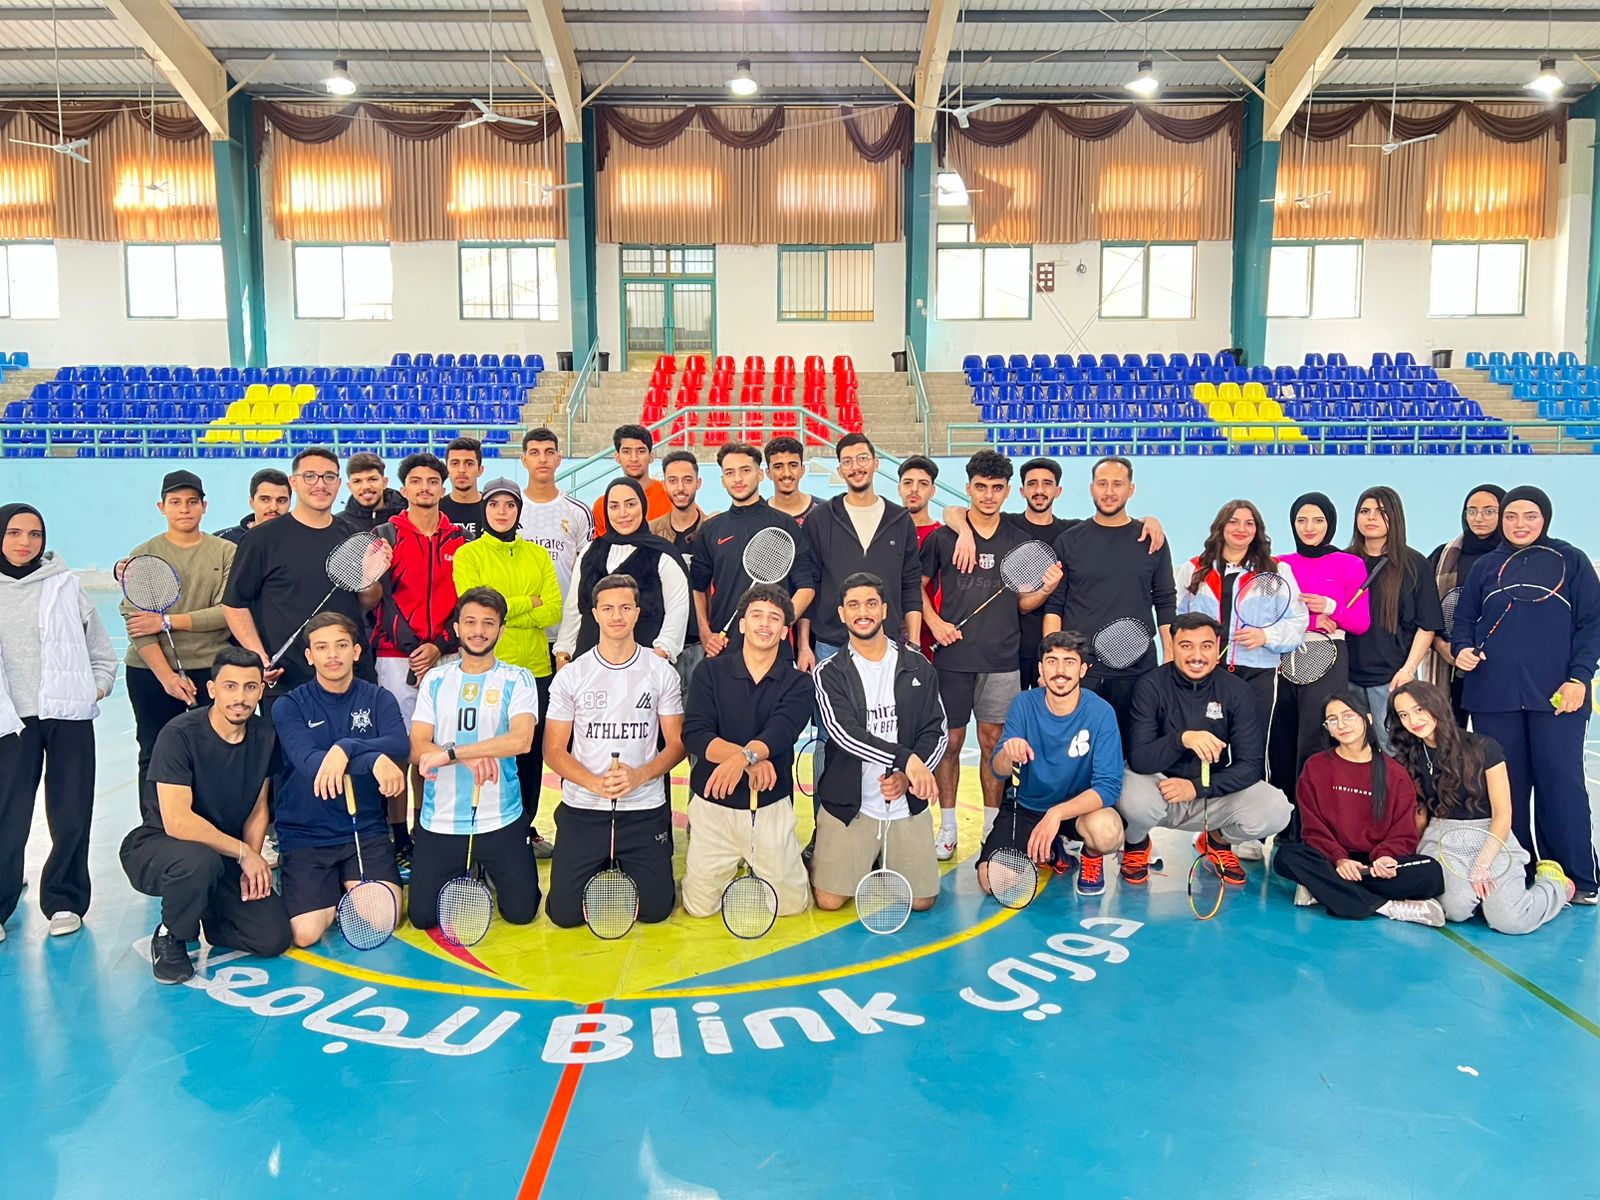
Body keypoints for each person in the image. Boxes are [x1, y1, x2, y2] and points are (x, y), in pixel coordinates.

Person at [1452, 485, 1600, 904]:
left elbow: (1592, 625)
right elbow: (1464, 620)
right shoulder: (1485, 566)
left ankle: (1577, 877)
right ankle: (1517, 870)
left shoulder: (1571, 560)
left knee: (1561, 785)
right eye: (1511, 516)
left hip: (1558, 698)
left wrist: (1579, 679)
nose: (1520, 524)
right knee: (1506, 790)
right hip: (1493, 698)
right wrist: (1462, 649)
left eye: (1529, 516)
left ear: (1545, 518)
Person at [119, 648, 291, 983]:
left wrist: (252, 858)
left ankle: (209, 912)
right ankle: (171, 934)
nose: (240, 698)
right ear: (212, 689)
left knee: (272, 937)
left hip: (222, 852)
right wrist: (242, 852)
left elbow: (258, 806)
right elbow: (178, 821)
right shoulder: (179, 734)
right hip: (161, 845)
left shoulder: (265, 735)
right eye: (230, 686)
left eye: (250, 687)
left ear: (261, 690)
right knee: (199, 862)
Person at [921, 451, 1061, 860]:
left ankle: (991, 825)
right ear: (968, 487)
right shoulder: (944, 537)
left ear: (1007, 491)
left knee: (994, 743)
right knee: (950, 741)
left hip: (1001, 658)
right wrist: (934, 623)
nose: (988, 495)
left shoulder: (1018, 540)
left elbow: (1023, 603)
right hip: (953, 658)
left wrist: (1047, 588)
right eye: (980, 487)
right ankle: (948, 827)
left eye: (996, 488)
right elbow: (915, 586)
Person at [944, 456, 1164, 690]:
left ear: (1058, 491)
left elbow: (1110, 524)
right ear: (1021, 491)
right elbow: (952, 511)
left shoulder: (1072, 533)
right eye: (1032, 484)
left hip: (1056, 645)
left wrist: (1149, 521)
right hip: (1013, 649)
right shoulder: (1006, 525)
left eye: (1047, 483)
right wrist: (964, 532)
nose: (1039, 490)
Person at [0, 504, 117, 942]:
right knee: (7, 816)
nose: (25, 542)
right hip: (10, 721)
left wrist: (96, 688)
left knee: (71, 811)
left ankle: (65, 899)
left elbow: (101, 650)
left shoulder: (65, 586)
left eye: (34, 534)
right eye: (14, 532)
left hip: (67, 716)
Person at [543, 573, 686, 928]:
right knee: (564, 916)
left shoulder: (661, 671)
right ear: (595, 614)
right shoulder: (572, 674)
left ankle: (623, 861)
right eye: (607, 608)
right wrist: (593, 783)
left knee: (655, 912)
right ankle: (603, 860)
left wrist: (640, 776)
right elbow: (553, 749)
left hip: (643, 807)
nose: (617, 616)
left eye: (625, 607)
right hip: (584, 808)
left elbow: (678, 743)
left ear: (637, 612)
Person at [1117, 614, 1291, 889]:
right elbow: (1139, 758)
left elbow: (1250, 766)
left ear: (1218, 646)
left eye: (1206, 646)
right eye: (1186, 646)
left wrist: (1196, 788)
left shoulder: (1236, 690)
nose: (1196, 656)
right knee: (1130, 796)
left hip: (1209, 793)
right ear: (1172, 646)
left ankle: (1216, 842)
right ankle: (1137, 844)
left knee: (1276, 809)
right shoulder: (1150, 685)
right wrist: (1181, 739)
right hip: (1159, 788)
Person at [810, 572, 946, 915]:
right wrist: (905, 760)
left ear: (884, 610)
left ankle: (881, 857)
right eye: (853, 605)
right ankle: (855, 855)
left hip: (903, 802)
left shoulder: (917, 666)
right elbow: (844, 733)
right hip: (851, 806)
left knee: (922, 902)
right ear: (842, 614)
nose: (863, 612)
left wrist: (907, 776)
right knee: (829, 901)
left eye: (871, 603)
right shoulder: (829, 672)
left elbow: (937, 729)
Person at [407, 588, 541, 931]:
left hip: (501, 817)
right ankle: (472, 867)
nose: (478, 630)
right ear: (456, 628)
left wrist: (454, 752)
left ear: (501, 630)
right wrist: (462, 759)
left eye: (488, 623)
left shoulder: (518, 678)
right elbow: (418, 747)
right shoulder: (435, 679)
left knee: (521, 913)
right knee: (422, 918)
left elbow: (522, 740)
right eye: (470, 622)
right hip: (441, 820)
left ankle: (486, 866)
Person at [1389, 681, 1571, 933]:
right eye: (1403, 714)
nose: (1413, 720)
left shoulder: (1484, 747)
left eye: (1419, 709)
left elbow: (1503, 814)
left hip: (1490, 832)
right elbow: (1420, 816)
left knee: (1509, 920)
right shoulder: (1408, 757)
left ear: (1436, 705)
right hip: (1442, 835)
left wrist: (1483, 864)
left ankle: (1556, 884)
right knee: (1456, 908)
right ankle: (1481, 899)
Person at [271, 614, 407, 948]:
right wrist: (372, 759)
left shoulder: (379, 699)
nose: (332, 655)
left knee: (383, 921)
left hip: (364, 829)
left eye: (341, 645)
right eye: (322, 647)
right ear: (309, 656)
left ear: (356, 652)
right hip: (307, 833)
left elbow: (399, 745)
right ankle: (324, 886)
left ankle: (346, 885)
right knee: (305, 934)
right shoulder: (289, 705)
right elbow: (309, 763)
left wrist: (346, 748)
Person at [680, 584, 814, 919]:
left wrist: (743, 758)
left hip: (768, 805)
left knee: (790, 907)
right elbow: (695, 733)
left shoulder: (798, 683)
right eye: (756, 615)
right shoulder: (709, 672)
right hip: (714, 805)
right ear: (742, 624)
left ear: (784, 632)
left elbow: (782, 729)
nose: (764, 624)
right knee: (699, 909)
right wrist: (749, 760)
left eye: (774, 618)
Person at [452, 477, 562, 857]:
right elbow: (474, 609)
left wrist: (501, 610)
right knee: (487, 749)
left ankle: (524, 828)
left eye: (510, 505)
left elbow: (553, 610)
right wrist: (527, 602)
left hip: (534, 670)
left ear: (519, 510)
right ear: (484, 509)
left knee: (529, 756)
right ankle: (484, 830)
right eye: (495, 504)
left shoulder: (538, 555)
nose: (502, 512)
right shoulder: (468, 555)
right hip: (487, 670)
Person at [223, 446, 387, 699]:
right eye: (310, 476)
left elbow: (367, 601)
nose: (320, 484)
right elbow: (234, 605)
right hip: (288, 680)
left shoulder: (353, 536)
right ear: (294, 482)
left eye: (329, 477)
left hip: (352, 677)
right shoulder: (261, 539)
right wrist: (259, 656)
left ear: (338, 483)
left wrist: (371, 577)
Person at [1272, 691, 1446, 925]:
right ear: (1328, 728)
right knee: (1287, 857)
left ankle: (1324, 889)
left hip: (1374, 866)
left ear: (1368, 719)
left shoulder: (1395, 773)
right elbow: (1313, 829)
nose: (1341, 724)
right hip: (1331, 859)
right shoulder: (1315, 766)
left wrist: (1385, 857)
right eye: (1332, 720)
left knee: (1430, 872)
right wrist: (1339, 860)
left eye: (1348, 716)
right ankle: (1387, 907)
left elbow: (1403, 831)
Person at [1041, 456, 1176, 744]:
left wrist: (1170, 660)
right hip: (1082, 669)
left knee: (1135, 755)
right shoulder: (1069, 541)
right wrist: (1052, 661)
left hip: (1138, 670)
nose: (1109, 491)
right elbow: (1055, 606)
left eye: (1118, 484)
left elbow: (1165, 602)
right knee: (1077, 755)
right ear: (1092, 488)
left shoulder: (1152, 541)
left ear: (1131, 489)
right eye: (1102, 484)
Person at [984, 633, 1125, 898]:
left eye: (1069, 662)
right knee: (993, 882)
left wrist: (1057, 813)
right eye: (1052, 661)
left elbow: (1108, 788)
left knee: (1106, 833)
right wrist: (1008, 752)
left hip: (1078, 811)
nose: (1060, 670)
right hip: (1027, 807)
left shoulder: (1101, 712)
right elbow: (998, 770)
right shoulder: (1024, 703)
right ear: (1041, 668)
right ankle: (1055, 851)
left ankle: (1090, 856)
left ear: (1082, 670)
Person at [120, 469, 236, 792]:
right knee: (155, 750)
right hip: (151, 672)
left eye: (192, 501)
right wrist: (167, 677)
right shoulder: (143, 554)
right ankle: (155, 821)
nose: (184, 508)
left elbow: (226, 612)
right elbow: (138, 623)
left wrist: (167, 621)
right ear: (162, 507)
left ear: (204, 506)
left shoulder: (226, 552)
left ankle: (210, 820)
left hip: (210, 669)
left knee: (214, 752)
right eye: (175, 502)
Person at [1269, 492, 1372, 802]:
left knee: (1316, 739)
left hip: (1328, 655)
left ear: (1331, 524)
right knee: (1280, 741)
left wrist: (1332, 608)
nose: (1309, 527)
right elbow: (1266, 615)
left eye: (1318, 520)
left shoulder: (1350, 564)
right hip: (1283, 657)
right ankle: (1283, 820)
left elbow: (1360, 623)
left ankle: (1313, 819)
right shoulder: (1279, 564)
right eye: (1301, 520)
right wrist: (1312, 620)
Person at [1174, 499, 1308, 733]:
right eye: (1234, 522)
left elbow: (1297, 622)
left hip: (1258, 674)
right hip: (1205, 670)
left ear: (1257, 530)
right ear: (1221, 526)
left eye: (1249, 523)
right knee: (1207, 741)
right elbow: (1176, 619)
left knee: (1252, 742)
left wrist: (1266, 636)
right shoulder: (1193, 569)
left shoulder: (1277, 570)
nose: (1241, 529)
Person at [795, 434, 923, 672]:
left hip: (887, 645)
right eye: (847, 461)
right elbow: (809, 584)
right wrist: (804, 645)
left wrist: (914, 644)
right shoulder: (819, 519)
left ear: (876, 463)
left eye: (862, 458)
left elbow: (910, 584)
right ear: (840, 470)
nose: (856, 467)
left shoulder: (900, 520)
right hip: (831, 645)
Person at [692, 442, 813, 660]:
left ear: (760, 474)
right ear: (722, 480)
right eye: (730, 473)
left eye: (745, 470)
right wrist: (705, 632)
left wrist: (779, 625)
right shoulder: (710, 529)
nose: (738, 479)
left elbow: (806, 588)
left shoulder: (785, 525)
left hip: (776, 651)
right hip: (724, 649)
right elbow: (698, 588)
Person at [1345, 486, 1443, 752]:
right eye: (1364, 511)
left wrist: (1408, 670)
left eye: (1381, 512)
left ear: (1395, 516)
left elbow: (1427, 625)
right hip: (1347, 677)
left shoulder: (1415, 564)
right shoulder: (1343, 560)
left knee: (1394, 752)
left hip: (1392, 678)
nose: (1371, 517)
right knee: (1354, 753)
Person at [371, 452, 464, 729]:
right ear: (404, 490)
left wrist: (438, 646)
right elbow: (380, 600)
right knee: (400, 741)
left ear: (443, 490)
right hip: (396, 658)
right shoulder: (384, 536)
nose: (425, 487)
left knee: (446, 741)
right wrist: (415, 651)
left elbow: (466, 602)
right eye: (416, 481)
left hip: (448, 655)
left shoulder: (462, 540)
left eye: (432, 481)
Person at [557, 477, 691, 667]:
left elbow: (677, 613)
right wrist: (563, 655)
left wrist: (656, 660)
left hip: (644, 667)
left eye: (630, 504)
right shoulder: (590, 551)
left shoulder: (663, 554)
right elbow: (573, 610)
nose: (623, 513)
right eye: (614, 506)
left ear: (643, 506)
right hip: (588, 667)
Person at [1425, 484, 1507, 724]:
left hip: (1501, 666)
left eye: (1489, 511)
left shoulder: (1517, 558)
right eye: (1472, 511)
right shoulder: (1443, 556)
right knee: (1449, 734)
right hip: (1451, 664)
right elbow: (1425, 609)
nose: (1478, 518)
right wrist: (1441, 646)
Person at [517, 427, 593, 653]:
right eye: (534, 453)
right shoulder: (510, 509)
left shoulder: (578, 511)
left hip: (566, 631)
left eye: (549, 452)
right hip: (521, 627)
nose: (542, 459)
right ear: (524, 460)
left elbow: (586, 570)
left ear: (559, 459)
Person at [651, 448, 715, 695]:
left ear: (698, 482)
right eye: (673, 480)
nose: (680, 488)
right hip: (661, 645)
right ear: (664, 484)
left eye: (687, 480)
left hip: (703, 644)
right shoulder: (651, 533)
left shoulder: (714, 530)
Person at [898, 455, 942, 662]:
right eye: (908, 483)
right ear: (899, 487)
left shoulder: (943, 535)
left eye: (923, 484)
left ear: (932, 491)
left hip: (931, 636)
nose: (914, 489)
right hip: (889, 632)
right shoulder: (884, 532)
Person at [592, 424, 671, 536]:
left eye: (641, 451)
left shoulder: (671, 498)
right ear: (617, 457)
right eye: (626, 452)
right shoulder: (602, 506)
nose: (634, 458)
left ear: (651, 457)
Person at [216, 468, 290, 546]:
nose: (274, 507)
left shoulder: (298, 538)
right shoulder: (223, 541)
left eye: (281, 501)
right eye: (265, 500)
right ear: (251, 502)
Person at [340, 451, 406, 534]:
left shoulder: (409, 519)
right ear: (350, 487)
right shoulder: (340, 525)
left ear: (384, 482)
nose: (365, 486)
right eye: (357, 481)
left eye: (372, 479)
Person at [764, 435, 821, 525]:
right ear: (768, 473)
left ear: (802, 470)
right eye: (778, 467)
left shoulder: (824, 512)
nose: (787, 473)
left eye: (793, 465)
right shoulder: (759, 515)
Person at [439, 436, 487, 541]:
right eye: (455, 463)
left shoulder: (493, 509)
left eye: (469, 464)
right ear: (446, 470)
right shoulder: (436, 510)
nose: (461, 470)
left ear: (480, 470)